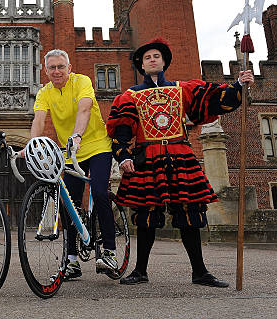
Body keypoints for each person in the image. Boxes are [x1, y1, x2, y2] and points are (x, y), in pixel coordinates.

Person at [107, 38, 254, 287]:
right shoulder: (130, 96)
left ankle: (200, 272)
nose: (152, 59)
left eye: (156, 56)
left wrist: (238, 84)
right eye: (147, 57)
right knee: (145, 215)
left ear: (164, 62)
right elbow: (121, 132)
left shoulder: (182, 89)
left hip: (180, 155)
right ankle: (140, 271)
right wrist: (124, 157)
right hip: (147, 157)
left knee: (189, 211)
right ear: (141, 65)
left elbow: (216, 99)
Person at [24, 49, 118, 280]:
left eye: (61, 67)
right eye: (52, 68)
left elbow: (84, 109)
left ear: (69, 67)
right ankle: (72, 260)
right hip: (69, 154)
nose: (57, 71)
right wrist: (31, 146)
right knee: (69, 204)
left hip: (97, 146)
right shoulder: (44, 92)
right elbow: (38, 119)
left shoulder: (82, 81)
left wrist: (77, 136)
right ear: (45, 71)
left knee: (98, 192)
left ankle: (110, 252)